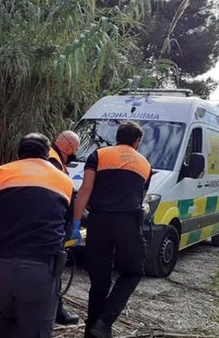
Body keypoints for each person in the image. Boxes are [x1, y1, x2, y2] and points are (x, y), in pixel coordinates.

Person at [0, 133, 74, 338]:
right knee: (36, 328)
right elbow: (67, 225)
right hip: (41, 268)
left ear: (19, 153)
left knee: (8, 318)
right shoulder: (64, 181)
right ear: (46, 154)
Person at [73, 121, 152, 338]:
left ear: (117, 137)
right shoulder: (145, 164)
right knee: (133, 271)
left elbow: (85, 190)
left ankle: (92, 331)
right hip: (127, 223)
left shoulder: (99, 155)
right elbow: (141, 198)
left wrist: (75, 223)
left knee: (99, 280)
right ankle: (104, 322)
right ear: (137, 142)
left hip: (98, 221)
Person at [48, 130, 81, 326]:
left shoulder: (51, 157)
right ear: (69, 148)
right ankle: (56, 311)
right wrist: (76, 220)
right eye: (75, 150)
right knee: (55, 267)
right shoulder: (54, 163)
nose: (75, 154)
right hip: (51, 226)